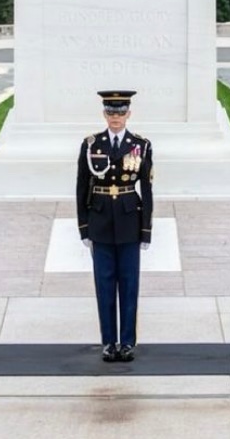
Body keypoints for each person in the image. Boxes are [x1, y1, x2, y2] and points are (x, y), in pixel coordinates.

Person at [76, 90, 154, 363]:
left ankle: (127, 342)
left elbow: (146, 189)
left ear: (128, 114)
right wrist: (84, 227)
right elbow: (81, 188)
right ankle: (109, 342)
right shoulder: (91, 144)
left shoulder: (140, 145)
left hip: (129, 221)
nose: (116, 117)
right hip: (100, 221)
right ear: (104, 114)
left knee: (129, 285)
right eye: (111, 112)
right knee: (105, 284)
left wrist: (146, 230)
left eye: (121, 112)